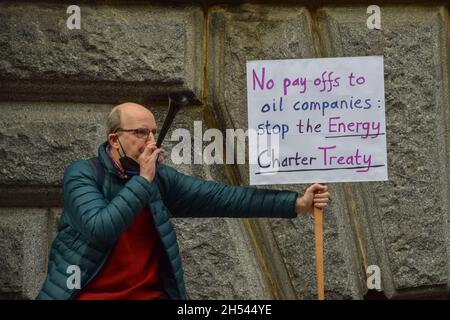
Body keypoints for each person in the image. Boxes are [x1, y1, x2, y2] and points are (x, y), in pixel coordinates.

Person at [36, 102, 329, 300]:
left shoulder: (158, 179)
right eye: (140, 133)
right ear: (115, 140)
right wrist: (143, 179)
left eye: (152, 131)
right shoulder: (83, 174)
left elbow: (222, 197)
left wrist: (296, 203)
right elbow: (101, 228)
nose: (151, 140)